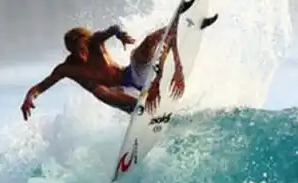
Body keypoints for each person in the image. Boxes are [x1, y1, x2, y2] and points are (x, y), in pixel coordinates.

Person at [20, 22, 185, 120]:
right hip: (123, 95)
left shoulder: (95, 42)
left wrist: (119, 34)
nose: (80, 55)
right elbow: (40, 87)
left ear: (86, 41)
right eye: (74, 52)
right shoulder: (67, 68)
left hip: (133, 75)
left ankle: (174, 27)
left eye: (81, 49)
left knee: (141, 49)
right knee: (98, 90)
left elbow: (113, 29)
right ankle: (140, 110)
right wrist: (29, 97)